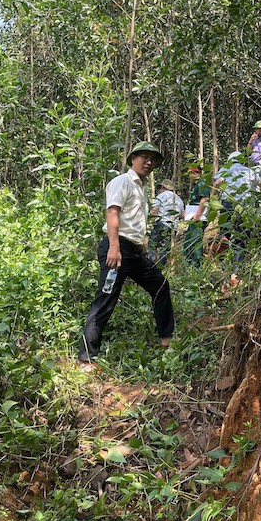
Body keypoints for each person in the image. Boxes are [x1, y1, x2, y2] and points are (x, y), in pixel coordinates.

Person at [77, 141, 175, 371]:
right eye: (144, 157)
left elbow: (134, 223)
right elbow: (113, 212)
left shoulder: (139, 188)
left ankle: (167, 341)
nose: (148, 162)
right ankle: (85, 358)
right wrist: (113, 247)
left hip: (134, 251)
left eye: (152, 159)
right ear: (133, 159)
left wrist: (141, 248)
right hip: (117, 248)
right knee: (106, 299)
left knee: (160, 285)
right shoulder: (122, 181)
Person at [213, 151, 255, 263]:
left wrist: (213, 197)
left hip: (227, 203)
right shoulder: (248, 171)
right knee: (241, 237)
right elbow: (258, 186)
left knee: (224, 229)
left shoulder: (225, 169)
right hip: (244, 205)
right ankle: (237, 270)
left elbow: (217, 183)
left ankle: (224, 237)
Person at [148, 179, 184, 266]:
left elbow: (155, 209)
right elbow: (182, 215)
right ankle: (160, 268)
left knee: (153, 245)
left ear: (163, 187)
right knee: (165, 249)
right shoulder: (179, 199)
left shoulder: (162, 196)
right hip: (172, 227)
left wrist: (152, 222)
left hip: (162, 223)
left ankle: (150, 265)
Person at [183, 163, 211, 266]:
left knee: (195, 243)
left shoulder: (202, 182)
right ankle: (189, 266)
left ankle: (196, 266)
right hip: (193, 217)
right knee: (188, 243)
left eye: (190, 173)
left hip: (198, 218)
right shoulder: (197, 184)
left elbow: (204, 199)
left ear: (194, 172)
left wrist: (197, 215)